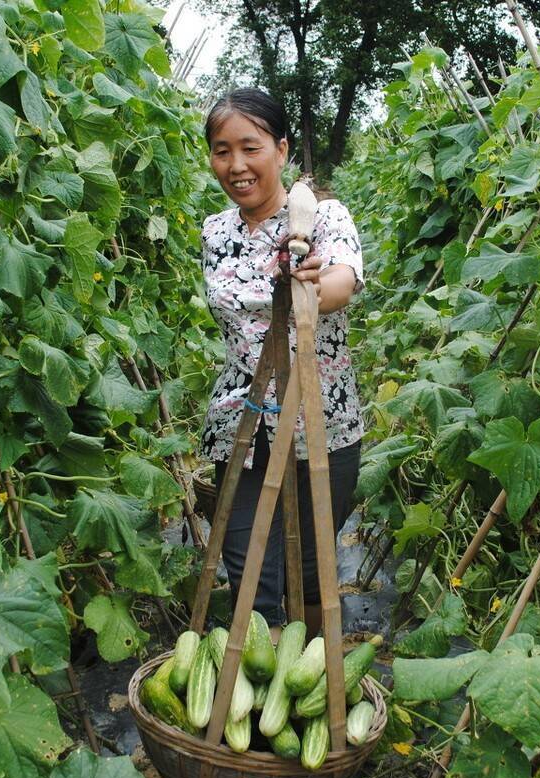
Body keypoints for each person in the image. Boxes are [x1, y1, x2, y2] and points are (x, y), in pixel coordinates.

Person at [197, 88, 364, 638]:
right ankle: (259, 675)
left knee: (313, 575)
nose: (237, 165)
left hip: (320, 419)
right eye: (223, 151)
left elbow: (342, 279)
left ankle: (315, 678)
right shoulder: (214, 232)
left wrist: (315, 285)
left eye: (251, 147)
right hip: (241, 422)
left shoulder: (321, 218)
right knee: (248, 568)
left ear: (281, 149)